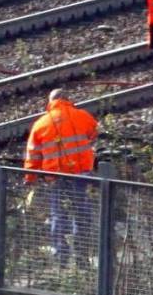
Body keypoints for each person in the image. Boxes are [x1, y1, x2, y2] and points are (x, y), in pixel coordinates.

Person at [23, 88, 99, 265]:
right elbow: (94, 133)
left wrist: (29, 178)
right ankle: (82, 256)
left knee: (58, 215)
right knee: (82, 213)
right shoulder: (82, 116)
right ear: (67, 99)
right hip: (81, 175)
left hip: (55, 177)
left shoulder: (41, 123)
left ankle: (61, 256)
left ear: (50, 102)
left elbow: (33, 154)